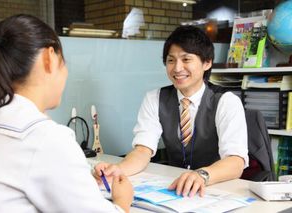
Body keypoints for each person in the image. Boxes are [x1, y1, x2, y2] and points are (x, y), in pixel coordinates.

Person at [0, 14, 133, 213]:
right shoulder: (44, 138)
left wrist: (81, 180)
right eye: (64, 63)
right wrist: (122, 202)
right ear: (49, 58)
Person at [95, 25, 248, 198]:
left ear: (207, 63)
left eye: (186, 59)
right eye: (171, 60)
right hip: (175, 189)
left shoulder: (226, 101)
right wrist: (118, 170)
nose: (177, 68)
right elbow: (143, 150)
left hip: (217, 189)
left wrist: (202, 175)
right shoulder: (154, 98)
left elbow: (236, 162)